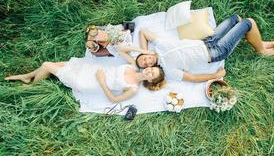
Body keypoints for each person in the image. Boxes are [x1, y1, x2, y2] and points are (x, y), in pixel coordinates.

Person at [123, 15, 274, 83]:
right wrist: (215, 75)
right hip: (215, 51)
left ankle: (259, 41)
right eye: (145, 64)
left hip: (207, 40)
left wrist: (144, 51)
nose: (146, 60)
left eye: (143, 58)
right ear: (151, 68)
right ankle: (261, 50)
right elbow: (194, 78)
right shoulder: (168, 71)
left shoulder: (159, 46)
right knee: (247, 22)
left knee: (236, 19)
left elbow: (143, 32)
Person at [5, 57, 165, 103]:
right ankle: (27, 77)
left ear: (150, 81)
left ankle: (31, 84)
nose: (149, 70)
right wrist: (144, 52)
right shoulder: (132, 66)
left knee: (47, 65)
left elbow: (114, 99)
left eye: (152, 74)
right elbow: (123, 50)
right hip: (89, 69)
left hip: (89, 82)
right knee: (51, 65)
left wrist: (102, 82)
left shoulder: (133, 88)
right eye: (151, 68)